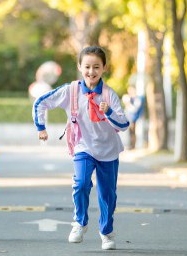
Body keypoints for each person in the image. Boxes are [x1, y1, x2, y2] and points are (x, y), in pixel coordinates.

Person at [32, 46, 129, 250]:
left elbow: (123, 124)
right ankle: (80, 222)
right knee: (81, 183)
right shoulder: (71, 90)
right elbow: (41, 103)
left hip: (108, 150)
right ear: (79, 67)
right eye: (87, 66)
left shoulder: (109, 95)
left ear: (104, 68)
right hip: (83, 146)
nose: (91, 72)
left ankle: (106, 232)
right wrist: (41, 127)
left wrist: (109, 112)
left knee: (107, 194)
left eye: (96, 67)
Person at [121, 85, 144, 150]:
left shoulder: (138, 99)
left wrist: (127, 103)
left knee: (133, 132)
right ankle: (131, 145)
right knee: (129, 132)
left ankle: (133, 146)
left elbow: (134, 110)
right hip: (128, 118)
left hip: (134, 119)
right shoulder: (129, 98)